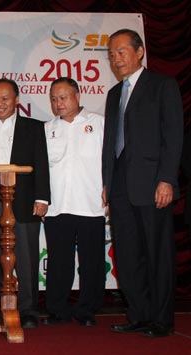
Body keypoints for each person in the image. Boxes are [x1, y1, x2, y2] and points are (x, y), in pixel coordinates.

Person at [102, 29, 183, 338]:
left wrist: (166, 179)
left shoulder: (162, 86)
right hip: (120, 186)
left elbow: (173, 137)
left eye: (121, 51)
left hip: (152, 185)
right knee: (126, 253)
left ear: (139, 52)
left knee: (157, 253)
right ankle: (138, 314)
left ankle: (161, 320)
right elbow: (112, 143)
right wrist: (107, 182)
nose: (116, 58)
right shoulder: (113, 94)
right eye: (111, 54)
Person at [0, 78, 50, 329]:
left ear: (16, 100)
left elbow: (42, 164)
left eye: (5, 98)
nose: (0, 103)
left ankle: (28, 309)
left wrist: (42, 197)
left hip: (24, 198)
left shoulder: (34, 128)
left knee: (25, 256)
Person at [42, 77, 105, 327]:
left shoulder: (99, 124)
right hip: (57, 205)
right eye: (54, 99)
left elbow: (111, 162)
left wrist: (109, 190)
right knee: (59, 261)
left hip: (91, 204)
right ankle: (57, 309)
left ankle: (87, 310)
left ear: (78, 96)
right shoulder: (47, 129)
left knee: (92, 262)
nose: (59, 103)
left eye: (64, 97)